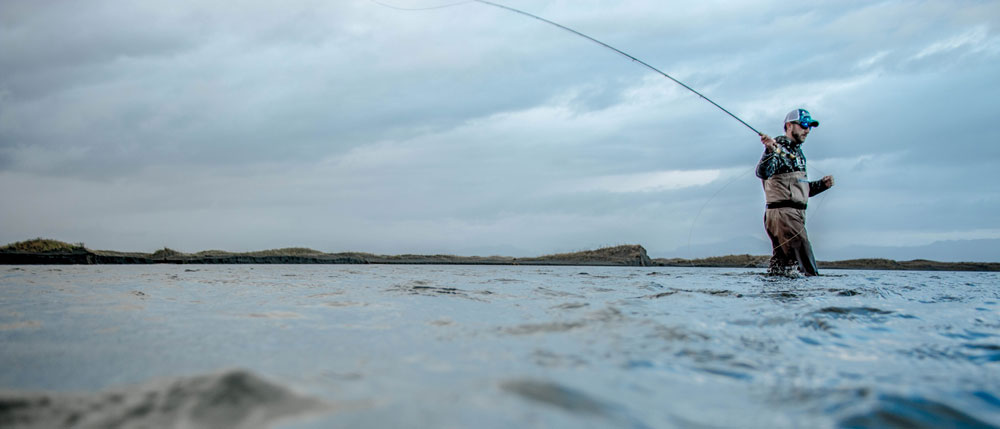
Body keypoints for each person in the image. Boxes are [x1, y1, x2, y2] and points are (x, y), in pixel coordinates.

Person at [755, 108, 834, 276]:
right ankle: (816, 298)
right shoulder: (778, 147)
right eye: (804, 125)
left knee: (782, 269)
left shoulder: (798, 153)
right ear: (789, 125)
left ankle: (776, 300)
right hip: (785, 216)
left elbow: (800, 192)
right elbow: (762, 172)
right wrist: (769, 150)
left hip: (790, 215)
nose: (807, 130)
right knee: (807, 267)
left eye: (810, 127)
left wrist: (822, 185)